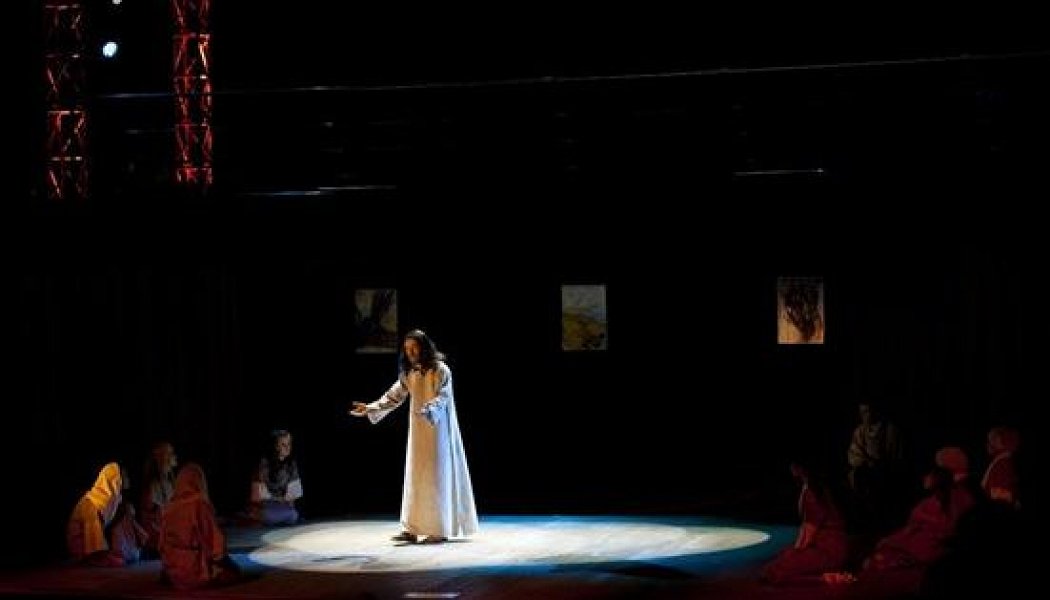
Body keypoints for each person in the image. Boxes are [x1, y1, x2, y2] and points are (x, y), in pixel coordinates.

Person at [350, 329, 478, 544]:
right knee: (416, 477)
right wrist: (371, 407)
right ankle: (413, 528)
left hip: (438, 432)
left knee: (437, 477)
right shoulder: (410, 373)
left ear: (424, 347)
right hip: (418, 433)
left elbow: (444, 396)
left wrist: (431, 409)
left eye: (414, 348)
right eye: (406, 349)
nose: (410, 352)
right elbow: (394, 396)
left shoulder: (440, 370)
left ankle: (438, 529)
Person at [761, 461, 849, 584]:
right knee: (781, 559)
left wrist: (795, 553)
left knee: (773, 572)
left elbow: (809, 532)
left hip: (827, 550)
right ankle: (820, 574)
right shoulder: (814, 487)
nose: (791, 466)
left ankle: (824, 578)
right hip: (830, 547)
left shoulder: (813, 492)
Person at [159, 463, 240, 589]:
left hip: (173, 570)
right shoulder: (199, 504)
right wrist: (229, 564)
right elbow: (215, 543)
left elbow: (162, 545)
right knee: (233, 572)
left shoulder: (169, 507)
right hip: (195, 568)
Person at [67, 462, 146, 566]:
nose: (128, 479)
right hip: (83, 547)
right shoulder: (91, 503)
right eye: (125, 476)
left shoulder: (108, 503)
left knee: (125, 556)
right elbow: (93, 542)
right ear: (115, 480)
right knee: (119, 561)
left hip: (94, 547)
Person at [250, 429, 303, 525]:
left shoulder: (291, 464)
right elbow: (258, 495)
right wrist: (277, 499)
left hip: (283, 505)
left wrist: (289, 499)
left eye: (289, 444)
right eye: (283, 445)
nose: (287, 448)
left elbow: (294, 490)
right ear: (275, 446)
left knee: (293, 515)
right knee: (268, 515)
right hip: (266, 505)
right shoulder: (264, 463)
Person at [140, 441, 178, 555]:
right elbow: (151, 520)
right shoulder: (153, 486)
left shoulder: (171, 483)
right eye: (169, 453)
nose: (174, 456)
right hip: (159, 541)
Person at [981, 426, 1020, 507]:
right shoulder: (1000, 462)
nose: (988, 444)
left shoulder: (1003, 464)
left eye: (991, 440)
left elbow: (1000, 498)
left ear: (1000, 441)